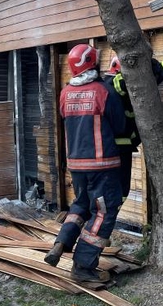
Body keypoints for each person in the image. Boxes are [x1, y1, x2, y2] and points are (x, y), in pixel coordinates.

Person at [44, 44, 126, 283]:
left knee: (80, 205)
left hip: (76, 165)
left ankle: (62, 242)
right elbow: (120, 126)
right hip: (102, 166)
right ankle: (83, 265)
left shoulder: (65, 93)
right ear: (92, 63)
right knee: (103, 212)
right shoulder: (103, 92)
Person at [103, 51, 163, 203]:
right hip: (115, 148)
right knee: (116, 189)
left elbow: (159, 73)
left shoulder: (133, 85)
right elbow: (124, 83)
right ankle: (107, 212)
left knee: (122, 189)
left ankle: (110, 210)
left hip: (122, 147)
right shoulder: (112, 84)